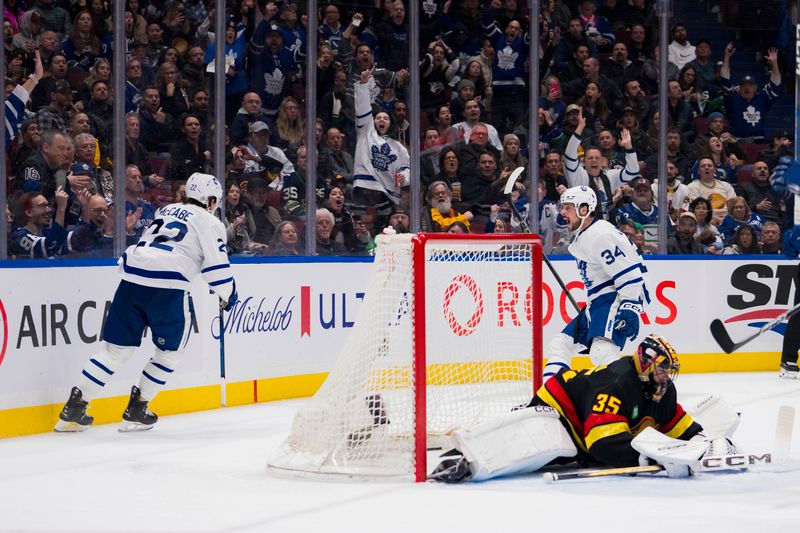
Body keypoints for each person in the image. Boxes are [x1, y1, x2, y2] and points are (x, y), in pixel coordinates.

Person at [55, 172, 237, 432]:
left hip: (132, 278)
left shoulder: (166, 210)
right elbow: (217, 269)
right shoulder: (209, 221)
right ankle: (138, 407)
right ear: (210, 201)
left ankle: (74, 407)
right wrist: (229, 294)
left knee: (114, 352)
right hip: (169, 286)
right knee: (170, 353)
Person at [431, 335, 718, 482]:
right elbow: (601, 444)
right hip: (560, 411)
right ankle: (464, 458)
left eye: (669, 371)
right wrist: (644, 459)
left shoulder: (662, 389)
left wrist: (705, 443)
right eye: (662, 369)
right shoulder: (618, 382)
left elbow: (676, 424)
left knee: (568, 452)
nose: (666, 376)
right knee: (546, 449)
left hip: (585, 421)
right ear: (646, 363)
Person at [542, 186, 648, 381]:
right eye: (562, 207)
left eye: (568, 208)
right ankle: (550, 393)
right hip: (597, 303)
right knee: (560, 344)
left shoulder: (600, 234)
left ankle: (632, 391)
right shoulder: (587, 233)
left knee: (601, 350)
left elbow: (629, 271)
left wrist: (630, 307)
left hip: (611, 300)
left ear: (584, 209)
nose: (563, 212)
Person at [563, 107, 640, 220]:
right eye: (590, 158)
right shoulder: (578, 175)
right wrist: (579, 128)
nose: (594, 160)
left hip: (605, 226)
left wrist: (628, 147)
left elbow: (633, 171)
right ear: (583, 161)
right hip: (583, 227)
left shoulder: (609, 176)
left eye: (597, 158)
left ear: (601, 161)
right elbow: (569, 154)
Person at [352, 68, 410, 207]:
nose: (381, 120)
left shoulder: (399, 147)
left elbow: (407, 168)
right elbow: (363, 109)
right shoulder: (366, 130)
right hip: (365, 187)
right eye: (378, 118)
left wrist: (404, 177)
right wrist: (364, 85)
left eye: (385, 118)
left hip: (388, 195)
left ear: (391, 123)